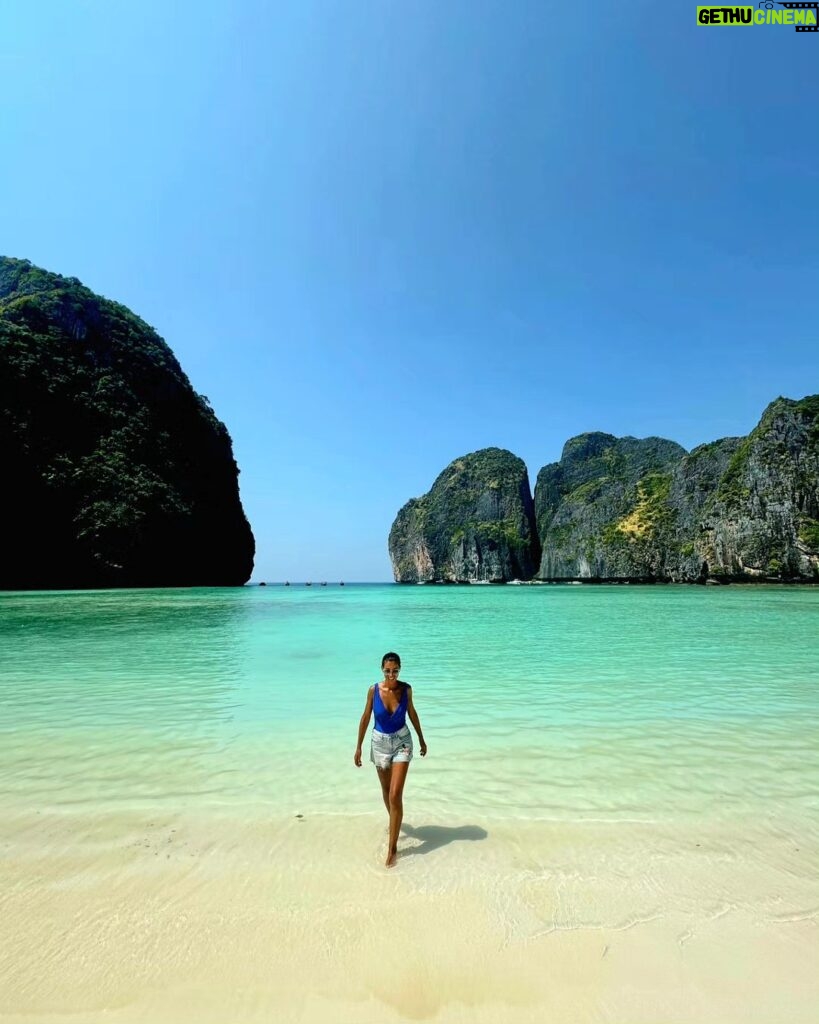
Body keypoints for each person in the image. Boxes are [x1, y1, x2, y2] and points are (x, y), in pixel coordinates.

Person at [354, 652, 427, 867]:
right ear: (382, 670)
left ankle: (392, 849)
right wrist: (358, 746)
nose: (391, 674)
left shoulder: (406, 690)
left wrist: (422, 738)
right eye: (387, 670)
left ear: (400, 669)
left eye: (395, 670)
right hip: (379, 744)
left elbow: (412, 713)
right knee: (386, 792)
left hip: (402, 742)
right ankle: (395, 822)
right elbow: (366, 717)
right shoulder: (373, 691)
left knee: (395, 794)